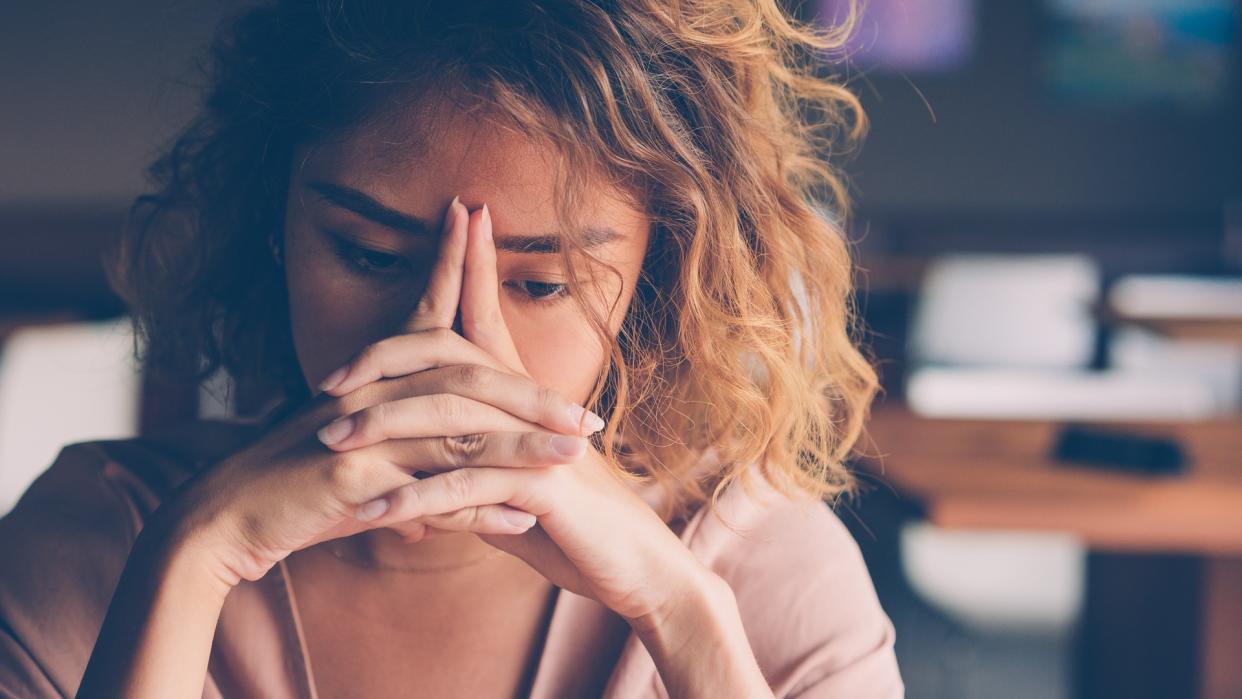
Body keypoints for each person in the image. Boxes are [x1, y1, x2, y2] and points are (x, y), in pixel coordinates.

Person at [0, 0, 903, 696]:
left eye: (541, 282)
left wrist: (686, 620)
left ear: (657, 282)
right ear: (271, 223)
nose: (449, 347)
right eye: (368, 254)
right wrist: (195, 560)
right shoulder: (98, 542)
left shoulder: (763, 573)